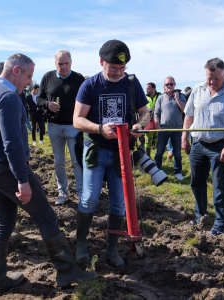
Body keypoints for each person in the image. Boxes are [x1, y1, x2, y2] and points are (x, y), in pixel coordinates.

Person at [0, 53, 96, 295]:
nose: (30, 83)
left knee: (5, 222)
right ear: (16, 70)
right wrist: (22, 180)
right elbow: (13, 145)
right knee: (46, 216)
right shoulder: (9, 97)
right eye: (28, 76)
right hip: (7, 169)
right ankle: (67, 271)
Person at [73, 39, 149, 268]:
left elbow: (145, 113)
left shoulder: (132, 83)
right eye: (113, 68)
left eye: (122, 69)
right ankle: (80, 243)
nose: (118, 73)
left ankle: (112, 248)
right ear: (101, 62)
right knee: (89, 198)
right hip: (95, 149)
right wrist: (98, 129)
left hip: (121, 152)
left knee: (119, 203)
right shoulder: (90, 85)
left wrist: (139, 126)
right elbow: (77, 119)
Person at [182, 58, 224, 235]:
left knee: (219, 185)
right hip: (197, 144)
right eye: (209, 78)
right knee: (196, 182)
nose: (212, 82)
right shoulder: (198, 89)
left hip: (220, 145)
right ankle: (200, 215)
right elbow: (189, 115)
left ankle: (221, 223)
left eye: (216, 78)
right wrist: (184, 136)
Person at [37, 50, 85, 205]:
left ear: (71, 62)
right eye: (60, 64)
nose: (64, 67)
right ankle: (62, 192)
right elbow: (39, 98)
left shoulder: (78, 78)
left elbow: (86, 100)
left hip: (74, 127)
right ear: (55, 63)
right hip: (54, 126)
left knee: (77, 161)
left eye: (66, 63)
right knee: (59, 161)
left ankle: (80, 192)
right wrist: (47, 104)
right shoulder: (47, 77)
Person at [154, 76, 186, 180]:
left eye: (171, 84)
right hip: (163, 129)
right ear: (164, 86)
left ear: (174, 84)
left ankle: (178, 172)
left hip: (177, 129)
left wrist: (176, 98)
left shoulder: (181, 96)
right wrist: (157, 126)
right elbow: (156, 113)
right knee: (159, 152)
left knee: (177, 152)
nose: (169, 86)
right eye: (167, 84)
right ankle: (156, 171)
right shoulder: (160, 98)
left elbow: (184, 109)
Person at [145, 82, 160, 157]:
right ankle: (148, 158)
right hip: (148, 123)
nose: (146, 90)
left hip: (158, 122)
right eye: (146, 89)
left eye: (148, 89)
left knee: (158, 141)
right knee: (147, 142)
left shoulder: (160, 96)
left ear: (153, 89)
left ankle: (157, 159)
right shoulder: (144, 98)